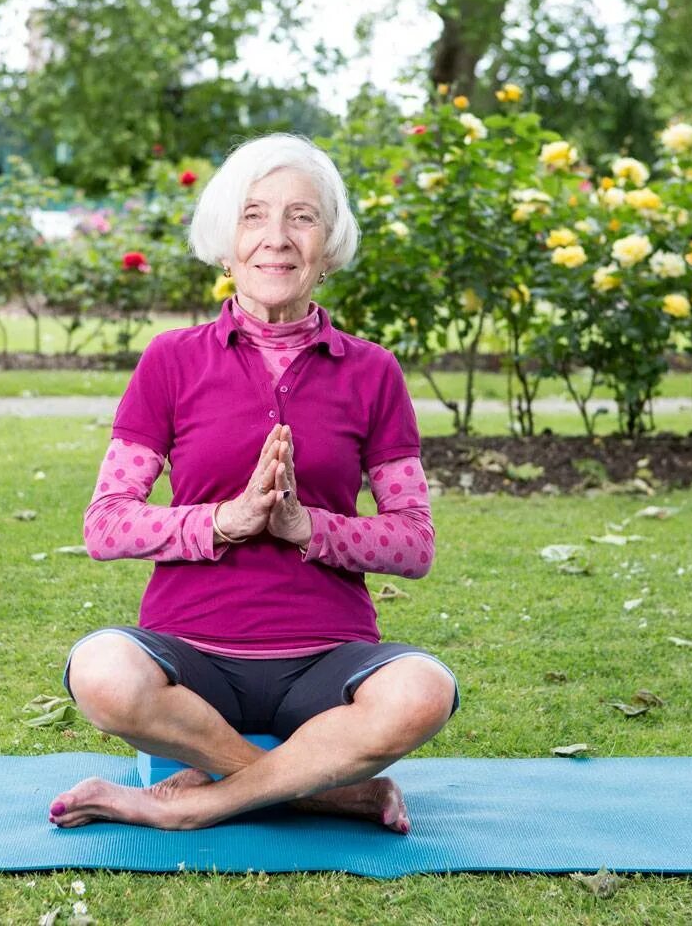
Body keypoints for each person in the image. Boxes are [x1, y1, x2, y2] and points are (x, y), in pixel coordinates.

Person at [49, 134, 458, 834]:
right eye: (254, 215)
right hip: (189, 656)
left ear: (328, 243)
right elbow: (106, 523)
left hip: (329, 662)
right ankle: (319, 791)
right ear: (226, 241)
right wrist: (223, 522)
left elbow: (415, 543)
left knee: (426, 689)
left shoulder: (373, 372)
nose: (277, 238)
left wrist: (311, 529)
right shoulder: (170, 361)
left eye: (301, 217)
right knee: (99, 670)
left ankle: (201, 804)